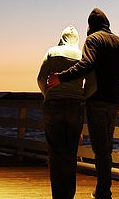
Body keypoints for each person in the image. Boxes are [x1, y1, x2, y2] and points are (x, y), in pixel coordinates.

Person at [48, 8, 119, 199]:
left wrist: (61, 78)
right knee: (107, 147)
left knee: (100, 149)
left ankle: (103, 191)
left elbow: (86, 64)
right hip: (115, 100)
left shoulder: (94, 39)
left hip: (98, 99)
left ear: (90, 26)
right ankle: (103, 188)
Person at [37, 26, 86, 199]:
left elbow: (41, 78)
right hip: (75, 106)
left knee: (56, 153)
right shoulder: (82, 55)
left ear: (62, 38)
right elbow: (91, 83)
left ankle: (58, 195)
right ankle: (69, 194)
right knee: (71, 153)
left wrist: (48, 95)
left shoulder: (52, 52)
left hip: (53, 106)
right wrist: (81, 96)